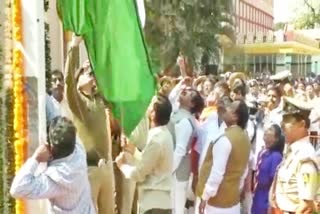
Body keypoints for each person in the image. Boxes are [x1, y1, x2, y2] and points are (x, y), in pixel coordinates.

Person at [64, 35, 115, 213]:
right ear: (79, 80)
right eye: (86, 72)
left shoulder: (99, 100)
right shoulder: (78, 103)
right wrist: (74, 46)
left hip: (106, 166)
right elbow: (68, 81)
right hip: (89, 168)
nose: (90, 73)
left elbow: (109, 78)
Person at [10, 116, 95, 214]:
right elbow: (62, 126)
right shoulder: (78, 149)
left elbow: (17, 189)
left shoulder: (59, 178)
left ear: (52, 148)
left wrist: (36, 159)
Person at [116, 95, 174, 214]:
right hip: (160, 201)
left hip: (153, 204)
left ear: (153, 114)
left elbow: (139, 173)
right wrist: (134, 150)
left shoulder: (156, 140)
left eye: (151, 104)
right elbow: (150, 162)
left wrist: (122, 166)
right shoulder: (165, 135)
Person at [197, 100, 251, 214]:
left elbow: (216, 174)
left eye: (230, 108)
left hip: (217, 204)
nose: (226, 109)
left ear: (235, 116)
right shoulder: (245, 138)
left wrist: (205, 196)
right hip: (233, 201)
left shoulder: (225, 139)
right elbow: (244, 171)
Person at [270, 97, 318, 213]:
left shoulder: (305, 156)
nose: (282, 125)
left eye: (287, 121)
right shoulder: (293, 152)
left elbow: (306, 205)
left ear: (302, 124)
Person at [168, 83, 204, 214]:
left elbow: (179, 151)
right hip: (173, 171)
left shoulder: (186, 122)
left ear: (192, 104)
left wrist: (168, 170)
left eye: (189, 92)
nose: (185, 91)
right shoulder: (177, 112)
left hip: (177, 172)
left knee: (176, 208)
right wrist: (180, 83)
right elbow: (171, 98)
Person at [251, 124, 284, 214]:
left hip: (266, 197)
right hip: (257, 194)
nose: (266, 131)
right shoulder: (262, 152)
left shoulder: (276, 156)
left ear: (276, 138)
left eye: (270, 129)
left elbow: (274, 181)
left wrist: (270, 204)